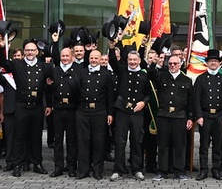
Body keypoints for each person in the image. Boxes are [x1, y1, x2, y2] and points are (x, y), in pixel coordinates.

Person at [0, 41, 52, 176]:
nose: (30, 53)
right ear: (24, 52)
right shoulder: (17, 64)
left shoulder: (44, 66)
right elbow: (2, 62)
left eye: (32, 50)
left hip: (37, 107)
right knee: (19, 137)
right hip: (21, 105)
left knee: (36, 137)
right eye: (27, 50)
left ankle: (37, 163)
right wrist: (3, 48)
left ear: (37, 52)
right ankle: (18, 164)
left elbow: (48, 88)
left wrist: (49, 104)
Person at [108, 46, 151, 181]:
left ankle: (137, 169)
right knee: (120, 141)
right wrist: (111, 46)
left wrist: (143, 102)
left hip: (137, 112)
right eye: (130, 60)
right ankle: (118, 170)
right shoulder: (122, 71)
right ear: (127, 60)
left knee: (137, 141)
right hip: (122, 111)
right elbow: (114, 61)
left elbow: (149, 94)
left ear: (139, 61)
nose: (132, 62)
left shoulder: (144, 74)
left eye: (135, 60)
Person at [149, 53, 193, 181]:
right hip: (163, 115)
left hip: (180, 116)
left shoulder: (187, 80)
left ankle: (179, 171)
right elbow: (151, 75)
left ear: (180, 65)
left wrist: (190, 117)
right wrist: (154, 63)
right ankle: (162, 171)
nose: (173, 66)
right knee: (163, 144)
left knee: (179, 145)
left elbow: (190, 101)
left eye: (175, 63)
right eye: (170, 64)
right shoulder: (161, 77)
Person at [74, 49, 115, 179]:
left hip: (100, 111)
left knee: (99, 142)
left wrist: (110, 113)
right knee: (83, 141)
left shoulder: (106, 74)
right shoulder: (81, 73)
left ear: (100, 59)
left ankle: (98, 170)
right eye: (91, 58)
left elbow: (110, 95)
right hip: (83, 111)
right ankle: (83, 170)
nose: (93, 60)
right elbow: (76, 92)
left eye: (96, 58)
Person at [192, 49, 222, 180]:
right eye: (211, 61)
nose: (213, 63)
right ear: (207, 63)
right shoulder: (200, 79)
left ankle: (216, 169)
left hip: (219, 116)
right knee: (204, 145)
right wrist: (198, 116)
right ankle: (203, 170)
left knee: (218, 145)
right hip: (205, 115)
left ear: (220, 63)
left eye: (216, 61)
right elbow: (196, 99)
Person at [47, 43, 81, 177]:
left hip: (72, 109)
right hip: (59, 109)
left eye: (67, 56)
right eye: (63, 56)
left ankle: (71, 167)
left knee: (72, 140)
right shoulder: (55, 70)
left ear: (72, 57)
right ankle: (58, 167)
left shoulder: (78, 69)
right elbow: (49, 90)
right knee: (58, 139)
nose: (65, 58)